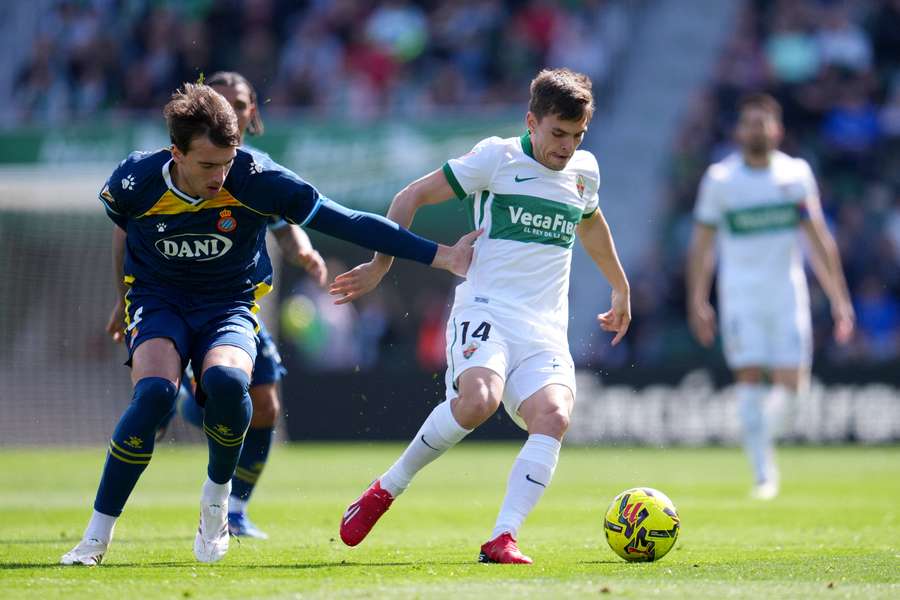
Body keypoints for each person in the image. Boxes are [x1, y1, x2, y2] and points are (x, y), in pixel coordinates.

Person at [61, 82, 479, 566]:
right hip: (159, 301)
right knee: (153, 394)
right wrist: (122, 300)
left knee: (228, 380)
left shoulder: (258, 178)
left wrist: (443, 256)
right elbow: (123, 235)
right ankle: (95, 538)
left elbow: (347, 220)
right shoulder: (135, 181)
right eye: (208, 165)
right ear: (175, 152)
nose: (221, 176)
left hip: (228, 304)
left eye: (227, 161)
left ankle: (217, 502)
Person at [331, 68, 631, 564]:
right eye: (557, 134)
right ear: (531, 121)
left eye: (577, 136)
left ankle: (503, 537)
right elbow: (411, 197)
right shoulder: (497, 157)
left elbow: (592, 224)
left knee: (554, 416)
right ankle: (384, 489)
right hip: (487, 309)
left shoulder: (585, 171)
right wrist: (381, 264)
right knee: (478, 401)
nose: (566, 147)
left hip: (545, 328)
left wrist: (620, 286)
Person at [161, 71, 326, 539]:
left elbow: (284, 219)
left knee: (267, 407)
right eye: (223, 101)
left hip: (240, 304)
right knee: (223, 397)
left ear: (252, 112)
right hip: (191, 302)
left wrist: (304, 250)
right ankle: (183, 400)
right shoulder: (188, 168)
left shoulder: (254, 170)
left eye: (241, 103)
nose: (232, 110)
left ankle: (235, 508)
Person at [686, 93, 855, 500]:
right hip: (740, 296)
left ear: (777, 129)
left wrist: (839, 299)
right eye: (749, 123)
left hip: (786, 294)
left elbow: (819, 241)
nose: (756, 130)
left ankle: (758, 433)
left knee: (795, 390)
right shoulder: (721, 180)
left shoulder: (795, 175)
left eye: (763, 123)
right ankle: (764, 474)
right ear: (739, 130)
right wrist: (698, 299)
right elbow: (702, 246)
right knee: (749, 379)